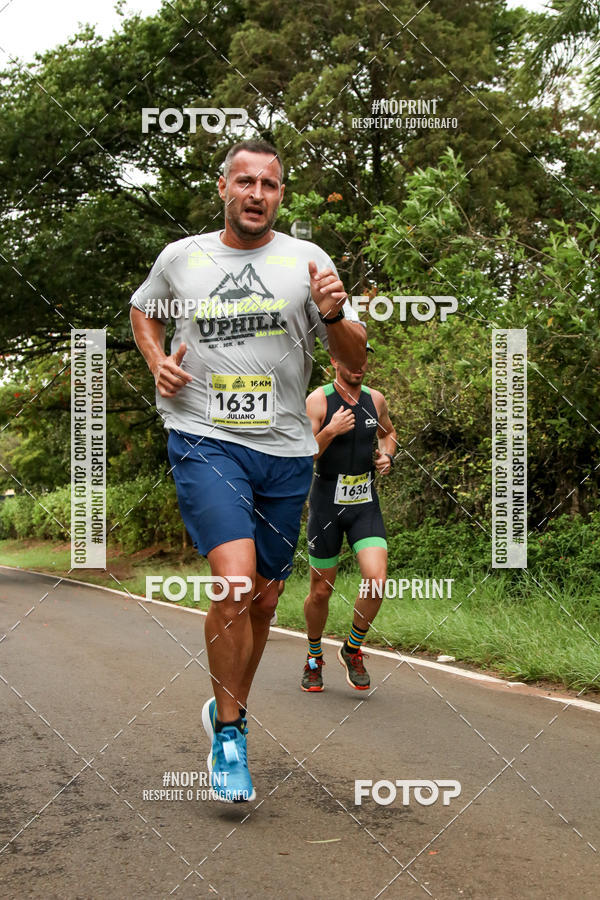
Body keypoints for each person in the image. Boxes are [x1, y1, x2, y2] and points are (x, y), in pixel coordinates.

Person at [130, 140, 366, 802]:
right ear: (223, 188)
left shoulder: (309, 262)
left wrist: (334, 313)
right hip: (204, 436)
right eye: (245, 181)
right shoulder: (182, 256)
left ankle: (227, 705)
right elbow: (144, 311)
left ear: (280, 195)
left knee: (263, 599)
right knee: (235, 584)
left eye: (269, 184)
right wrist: (156, 361)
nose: (257, 193)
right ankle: (230, 736)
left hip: (286, 449)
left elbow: (355, 361)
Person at [301, 355, 396, 692]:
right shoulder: (318, 400)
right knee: (320, 591)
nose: (359, 365)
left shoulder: (375, 399)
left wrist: (387, 455)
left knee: (376, 581)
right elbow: (304, 451)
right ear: (334, 360)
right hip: (326, 505)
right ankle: (314, 657)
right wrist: (331, 430)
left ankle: (352, 648)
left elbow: (388, 433)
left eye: (363, 358)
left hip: (364, 504)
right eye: (350, 358)